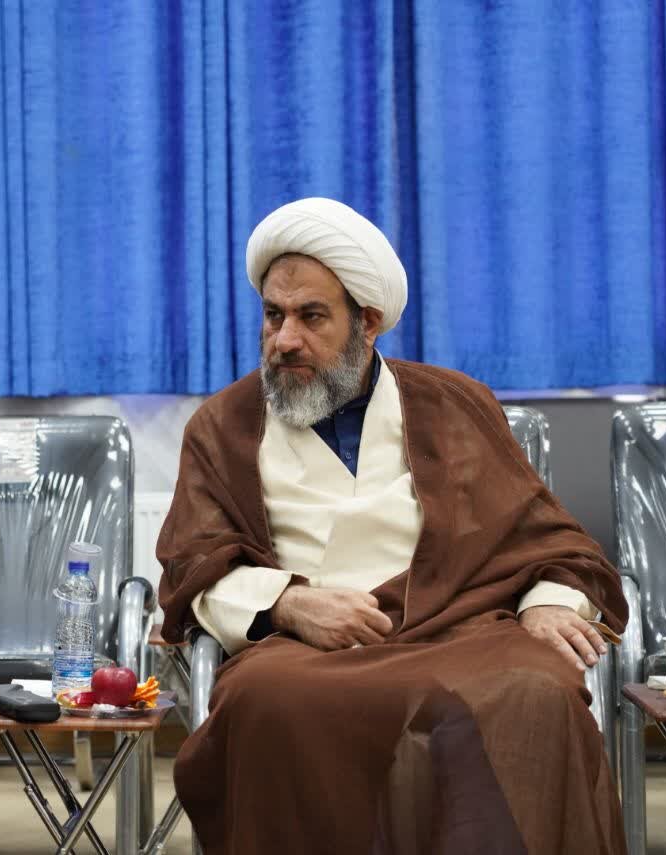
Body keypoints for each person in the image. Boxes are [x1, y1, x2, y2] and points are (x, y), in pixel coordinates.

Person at [158, 197, 627, 854]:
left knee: (539, 689)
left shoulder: (453, 403)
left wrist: (546, 601)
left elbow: (545, 539)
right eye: (273, 315)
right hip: (307, 650)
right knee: (264, 699)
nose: (284, 339)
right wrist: (288, 604)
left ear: (368, 321)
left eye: (311, 316)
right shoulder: (223, 424)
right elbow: (193, 562)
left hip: (459, 628)